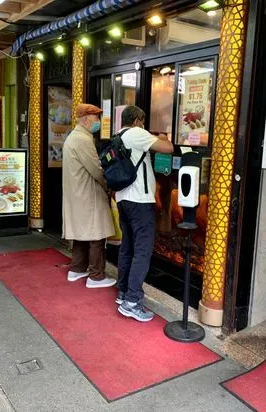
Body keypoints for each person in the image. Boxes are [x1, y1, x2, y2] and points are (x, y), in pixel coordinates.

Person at [115, 105, 173, 322]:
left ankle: (123, 292)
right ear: (138, 120)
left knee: (127, 247)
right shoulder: (137, 134)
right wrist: (164, 136)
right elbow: (167, 148)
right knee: (142, 251)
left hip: (123, 199)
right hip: (139, 201)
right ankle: (132, 301)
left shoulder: (118, 136)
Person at [62, 104, 116, 289]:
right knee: (96, 234)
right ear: (86, 120)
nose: (98, 123)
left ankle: (76, 269)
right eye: (96, 119)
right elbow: (97, 170)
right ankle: (96, 276)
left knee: (81, 233)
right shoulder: (83, 140)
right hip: (88, 195)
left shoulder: (73, 137)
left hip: (77, 194)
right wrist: (110, 185)